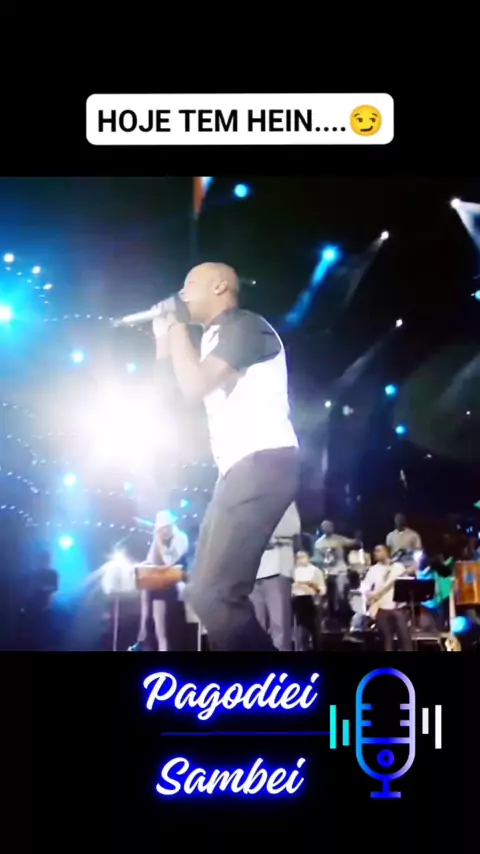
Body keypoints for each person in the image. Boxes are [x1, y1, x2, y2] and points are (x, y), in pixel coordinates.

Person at [153, 262, 299, 650]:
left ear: (219, 286)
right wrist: (164, 338)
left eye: (189, 285)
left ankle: (273, 684)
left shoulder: (245, 325)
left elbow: (194, 385)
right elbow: (174, 395)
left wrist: (176, 326)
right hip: (238, 468)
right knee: (205, 593)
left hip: (262, 461)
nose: (181, 294)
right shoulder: (212, 338)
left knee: (214, 595)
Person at [128, 510, 189, 651]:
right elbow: (151, 561)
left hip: (176, 583)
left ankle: (147, 636)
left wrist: (160, 543)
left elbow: (169, 561)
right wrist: (139, 567)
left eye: (166, 527)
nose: (164, 531)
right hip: (160, 585)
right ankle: (143, 631)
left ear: (172, 525)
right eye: (161, 529)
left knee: (166, 630)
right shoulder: (160, 538)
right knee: (146, 586)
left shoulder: (181, 538)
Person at [250, 502, 301, 651]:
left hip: (277, 570)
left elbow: (293, 526)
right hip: (251, 571)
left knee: (279, 627)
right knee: (255, 628)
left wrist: (264, 533)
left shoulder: (282, 496)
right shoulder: (247, 499)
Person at [360, 544, 413, 651]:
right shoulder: (373, 569)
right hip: (381, 609)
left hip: (398, 608)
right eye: (375, 551)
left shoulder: (398, 567)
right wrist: (369, 595)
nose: (375, 553)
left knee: (404, 638)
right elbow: (364, 587)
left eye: (378, 551)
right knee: (386, 640)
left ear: (386, 552)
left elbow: (407, 583)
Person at [314, 520, 357, 620]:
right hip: (327, 572)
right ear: (322, 528)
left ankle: (344, 615)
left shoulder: (339, 539)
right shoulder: (319, 543)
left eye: (329, 526)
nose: (327, 528)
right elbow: (318, 559)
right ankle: (330, 616)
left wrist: (357, 539)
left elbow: (352, 542)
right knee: (328, 595)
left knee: (342, 593)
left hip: (340, 571)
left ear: (332, 527)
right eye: (325, 526)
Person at [292, 550, 326, 651]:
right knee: (299, 631)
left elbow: (322, 590)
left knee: (315, 631)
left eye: (303, 557)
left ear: (308, 558)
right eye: (298, 558)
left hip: (313, 603)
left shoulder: (315, 571)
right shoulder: (292, 572)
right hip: (298, 603)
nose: (300, 560)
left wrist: (312, 585)